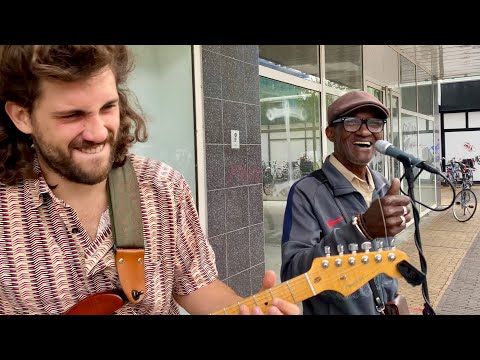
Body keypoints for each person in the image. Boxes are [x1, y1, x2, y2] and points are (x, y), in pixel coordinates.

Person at [0, 45, 300, 315]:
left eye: (108, 108)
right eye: (71, 115)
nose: (98, 132)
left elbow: (199, 288)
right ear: (22, 116)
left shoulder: (162, 187)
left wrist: (250, 311)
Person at [280, 90, 412, 315]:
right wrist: (360, 230)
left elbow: (380, 257)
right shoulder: (307, 192)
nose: (365, 130)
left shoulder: (382, 185)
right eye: (351, 122)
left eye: (374, 123)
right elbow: (293, 273)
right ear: (331, 133)